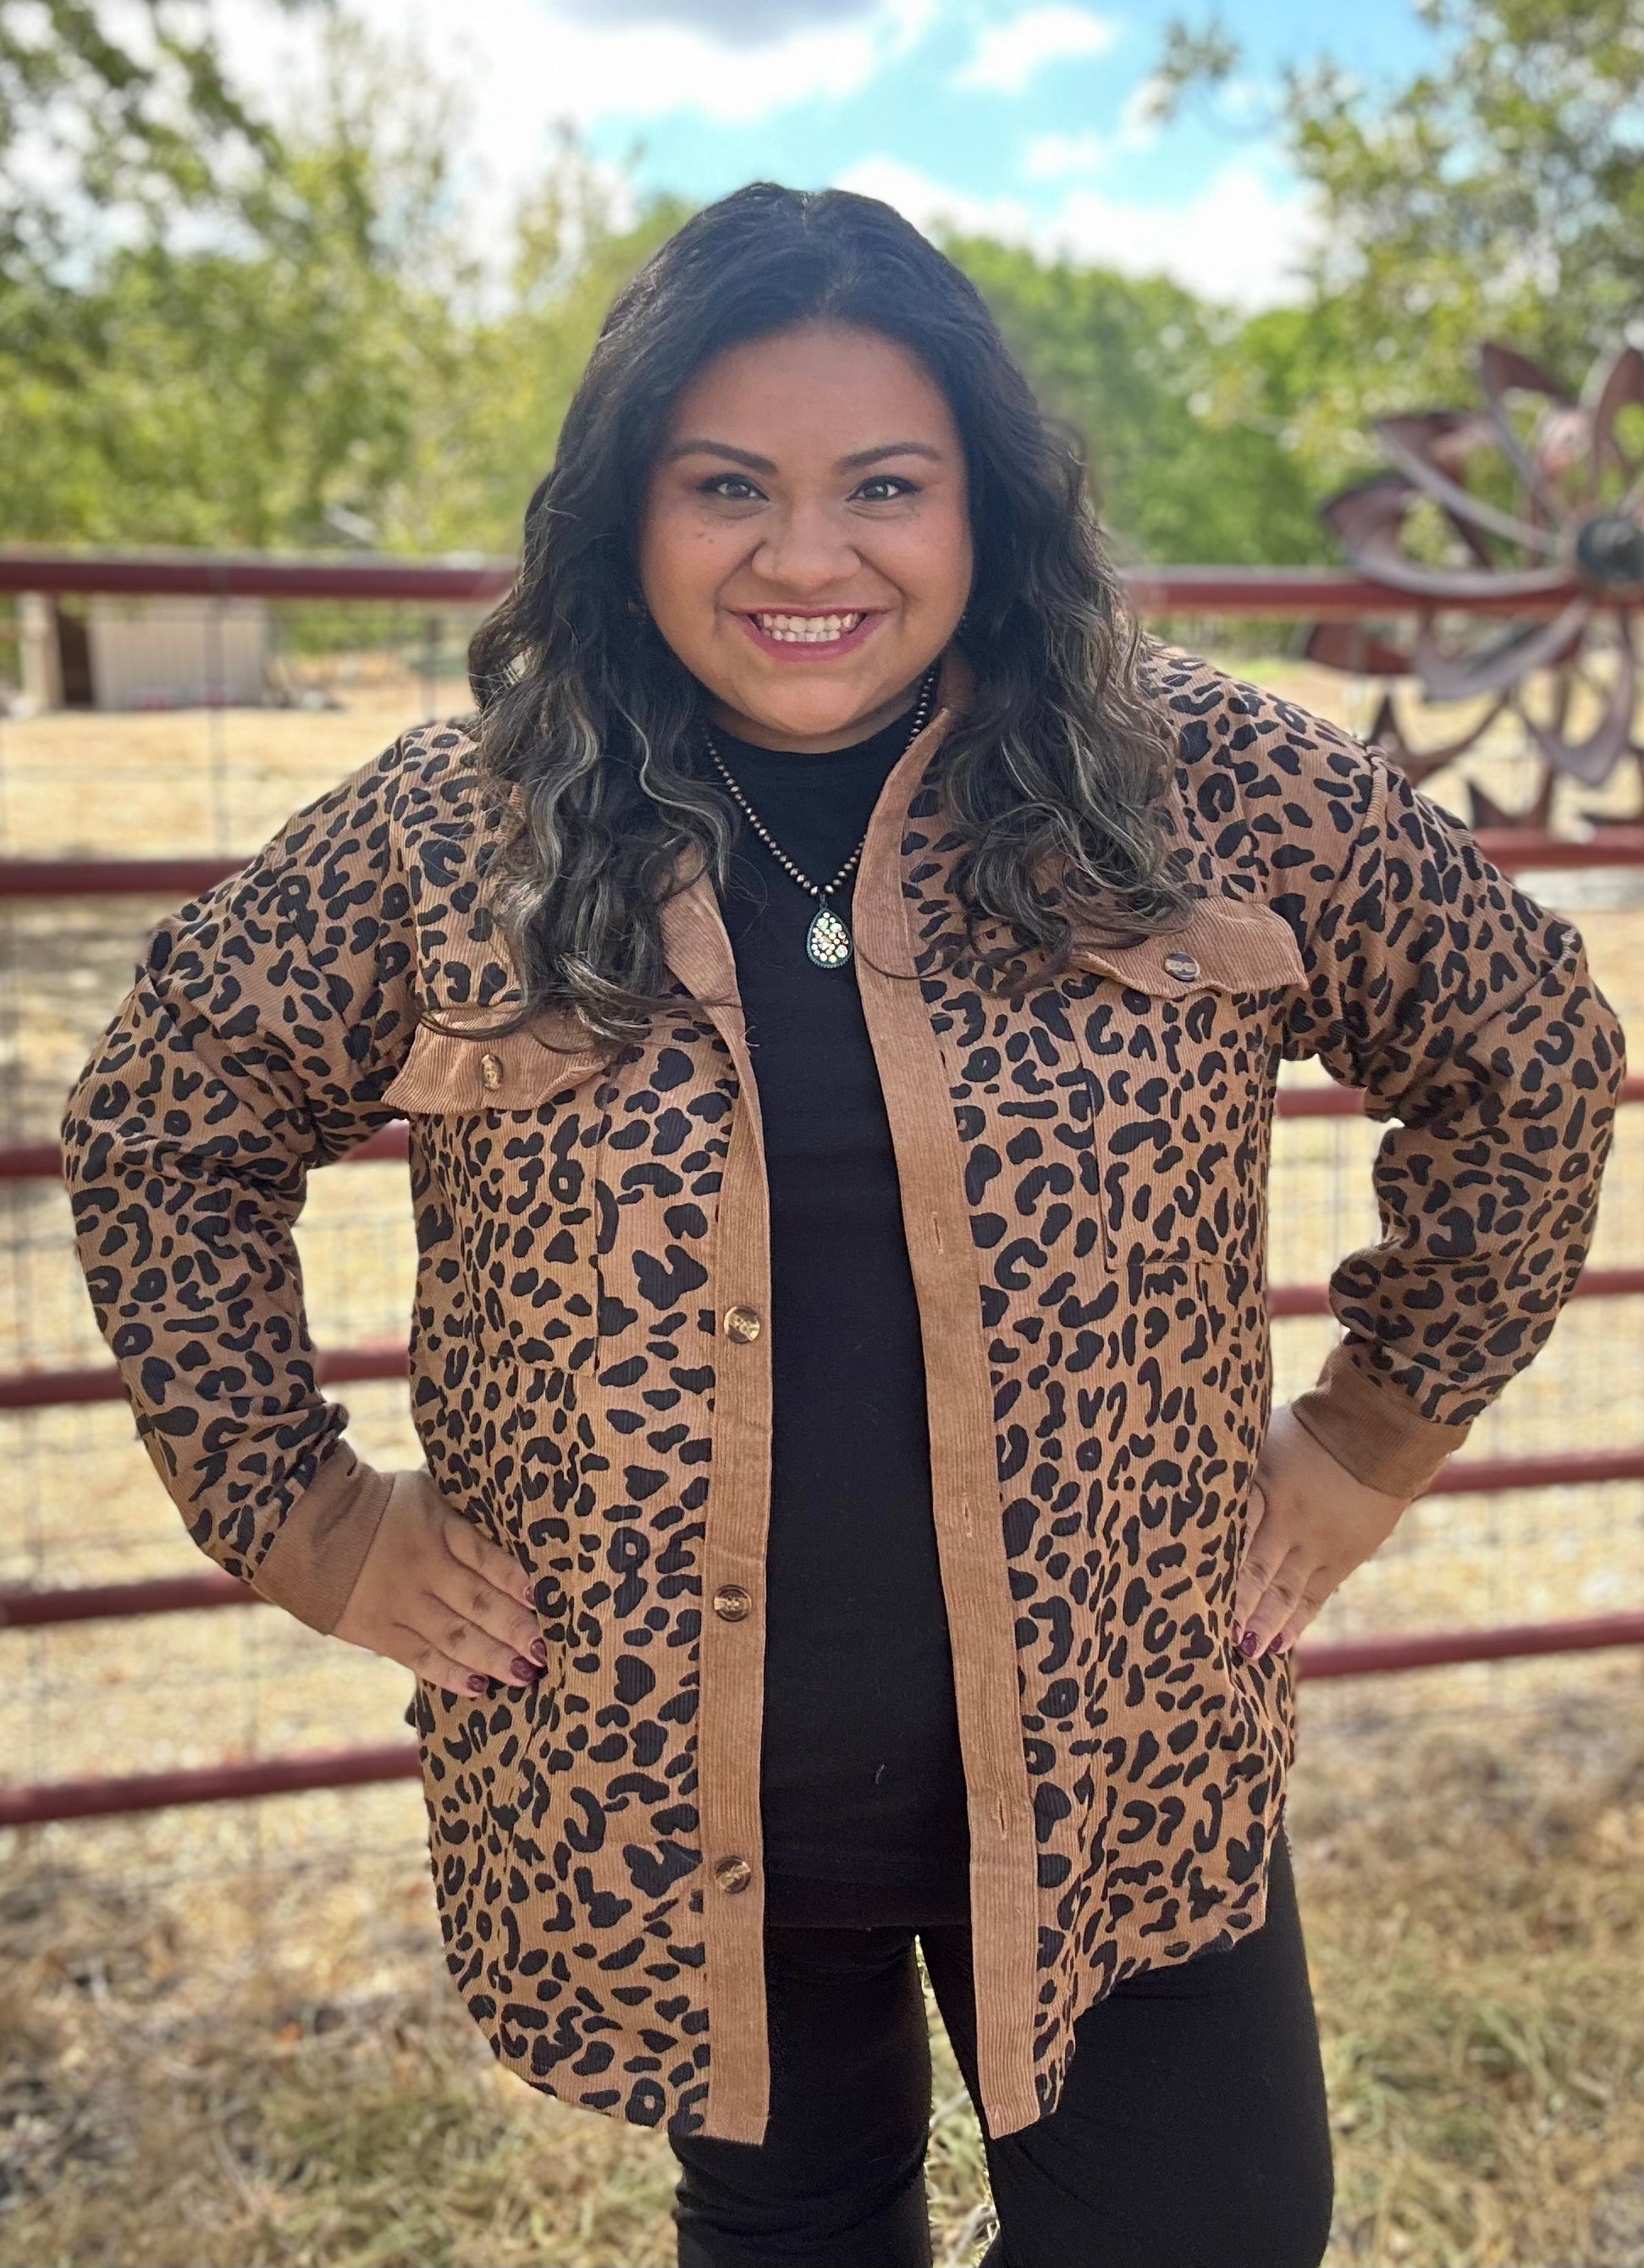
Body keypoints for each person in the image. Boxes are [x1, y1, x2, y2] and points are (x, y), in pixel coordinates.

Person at [63, 184, 1624, 2268]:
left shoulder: (1196, 782)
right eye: (727, 486)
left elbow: (1526, 1048)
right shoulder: (464, 828)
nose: (806, 559)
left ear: (983, 507)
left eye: (883, 486)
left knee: (1215, 2230)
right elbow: (163, 1119)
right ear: (626, 510)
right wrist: (304, 1516)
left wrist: (1364, 1440)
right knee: (796, 2234)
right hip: (665, 1793)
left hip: (1121, 1751)